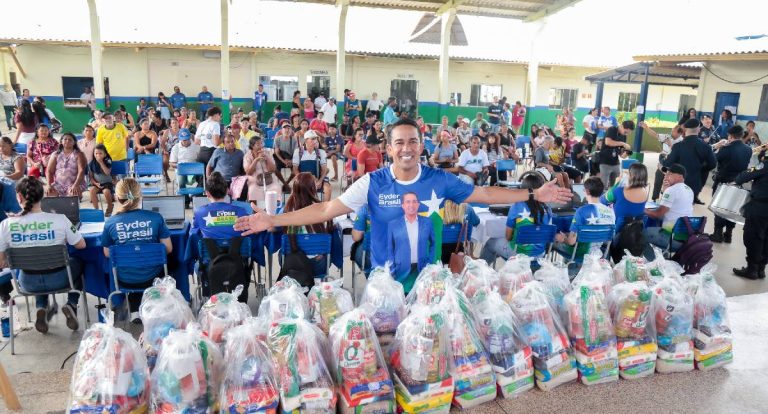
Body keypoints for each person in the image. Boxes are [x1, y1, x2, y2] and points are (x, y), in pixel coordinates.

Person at [234, 118, 570, 285]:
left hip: (428, 284)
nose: (406, 148)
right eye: (399, 142)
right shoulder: (373, 182)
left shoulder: (440, 179)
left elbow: (484, 193)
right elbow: (324, 209)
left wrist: (531, 194)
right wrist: (273, 220)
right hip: (387, 287)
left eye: (413, 141)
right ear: (389, 148)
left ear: (422, 144)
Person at [0, 177, 85, 332]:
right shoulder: (60, 220)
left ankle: (41, 307)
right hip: (59, 279)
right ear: (42, 196)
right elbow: (81, 245)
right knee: (79, 262)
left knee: (34, 266)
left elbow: (1, 263)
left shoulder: (6, 225)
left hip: (27, 283)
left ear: (19, 197)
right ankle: (71, 304)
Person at [102, 178, 172, 322]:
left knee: (128, 265)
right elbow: (168, 249)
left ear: (117, 197)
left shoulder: (110, 223)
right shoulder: (156, 218)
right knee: (171, 262)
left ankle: (133, 309)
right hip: (153, 278)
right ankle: (160, 306)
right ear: (140, 196)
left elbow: (108, 253)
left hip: (124, 280)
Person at [190, 171, 250, 300]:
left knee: (196, 262)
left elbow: (194, 235)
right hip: (238, 263)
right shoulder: (241, 211)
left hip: (210, 263)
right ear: (228, 190)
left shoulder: (200, 212)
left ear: (207, 193)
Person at [480, 172, 554, 264]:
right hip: (540, 255)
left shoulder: (516, 206)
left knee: (491, 242)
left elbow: (508, 237)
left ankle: (480, 270)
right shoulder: (548, 208)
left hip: (518, 255)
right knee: (501, 245)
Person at [282, 172, 335, 277]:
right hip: (317, 264)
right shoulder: (322, 208)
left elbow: (281, 231)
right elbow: (328, 233)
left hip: (293, 264)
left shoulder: (287, 209)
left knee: (283, 250)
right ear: (312, 189)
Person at [709, 125, 752, 244]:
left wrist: (717, 147)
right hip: (738, 183)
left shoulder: (726, 149)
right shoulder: (748, 149)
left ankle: (717, 234)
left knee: (719, 207)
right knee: (732, 209)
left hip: (723, 182)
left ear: (730, 136)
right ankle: (728, 234)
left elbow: (713, 160)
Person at [385, 192, 435, 292]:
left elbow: (433, 244)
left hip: (421, 270)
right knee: (402, 302)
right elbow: (390, 249)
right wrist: (392, 269)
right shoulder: (393, 225)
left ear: (418, 204)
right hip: (400, 272)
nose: (411, 205)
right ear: (403, 205)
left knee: (420, 300)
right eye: (408, 202)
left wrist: (429, 262)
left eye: (414, 201)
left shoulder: (427, 222)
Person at [555, 177, 615, 259]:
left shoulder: (581, 211)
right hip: (600, 253)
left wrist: (563, 238)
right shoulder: (610, 211)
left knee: (553, 242)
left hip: (581, 253)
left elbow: (571, 242)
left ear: (587, 191)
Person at [732, 147, 768, 279]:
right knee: (766, 238)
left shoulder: (765, 164)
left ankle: (752, 269)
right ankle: (761, 269)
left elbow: (744, 176)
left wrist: (757, 157)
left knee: (753, 236)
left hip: (760, 207)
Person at [663, 118, 716, 204]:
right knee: (687, 207)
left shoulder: (678, 146)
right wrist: (701, 170)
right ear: (698, 129)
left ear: (685, 129)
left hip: (677, 182)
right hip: (695, 183)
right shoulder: (705, 146)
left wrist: (661, 158)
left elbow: (668, 163)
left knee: (675, 206)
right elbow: (713, 164)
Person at [643, 164, 693, 251]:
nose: (666, 176)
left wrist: (641, 208)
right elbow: (670, 208)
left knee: (639, 234)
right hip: (685, 236)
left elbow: (657, 214)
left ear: (679, 176)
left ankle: (652, 261)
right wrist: (665, 189)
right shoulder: (689, 189)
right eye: (666, 173)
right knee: (659, 221)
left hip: (671, 237)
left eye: (670, 174)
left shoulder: (672, 190)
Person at [640, 122, 683, 202]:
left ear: (679, 133)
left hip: (673, 165)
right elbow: (655, 135)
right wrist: (646, 127)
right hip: (663, 162)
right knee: (658, 181)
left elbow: (680, 154)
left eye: (674, 131)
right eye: (672, 130)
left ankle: (665, 200)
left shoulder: (682, 141)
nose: (671, 132)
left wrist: (670, 145)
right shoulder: (667, 137)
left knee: (668, 184)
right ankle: (654, 199)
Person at [600, 163, 649, 232]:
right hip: (636, 233)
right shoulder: (645, 192)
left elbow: (602, 200)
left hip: (618, 233)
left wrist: (616, 184)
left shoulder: (619, 191)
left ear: (631, 176)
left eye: (628, 173)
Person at [292, 130, 331, 201]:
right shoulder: (298, 152)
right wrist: (302, 180)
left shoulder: (321, 152)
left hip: (318, 178)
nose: (315, 141)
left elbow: (324, 169)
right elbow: (295, 169)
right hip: (303, 179)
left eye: (316, 138)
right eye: (312, 139)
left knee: (327, 188)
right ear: (306, 140)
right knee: (295, 188)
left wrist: (320, 181)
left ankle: (325, 209)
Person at [45, 133, 87, 197]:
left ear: (74, 142)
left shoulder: (79, 154)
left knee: (73, 196)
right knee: (49, 194)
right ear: (61, 141)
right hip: (58, 184)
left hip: (74, 183)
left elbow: (81, 171)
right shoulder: (55, 154)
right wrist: (49, 185)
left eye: (70, 140)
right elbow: (49, 171)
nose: (67, 141)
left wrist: (75, 185)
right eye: (65, 139)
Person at [244, 136, 280, 206]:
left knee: (276, 187)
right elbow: (248, 172)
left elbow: (272, 169)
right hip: (254, 178)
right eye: (258, 144)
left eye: (261, 143)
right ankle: (254, 210)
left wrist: (267, 158)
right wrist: (256, 159)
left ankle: (272, 209)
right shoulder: (247, 156)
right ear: (252, 146)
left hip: (268, 177)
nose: (261, 146)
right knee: (252, 190)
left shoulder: (267, 152)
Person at [169, 128, 200, 208]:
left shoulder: (196, 146)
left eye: (186, 139)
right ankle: (186, 201)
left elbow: (200, 160)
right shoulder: (176, 148)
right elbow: (172, 163)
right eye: (183, 140)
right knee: (181, 181)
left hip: (194, 171)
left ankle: (195, 196)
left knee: (204, 179)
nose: (185, 141)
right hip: (182, 171)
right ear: (180, 139)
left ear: (190, 138)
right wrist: (180, 166)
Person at [599, 120, 635, 188]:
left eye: (628, 133)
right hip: (605, 162)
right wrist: (623, 143)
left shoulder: (623, 136)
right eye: (625, 132)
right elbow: (608, 142)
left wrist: (627, 152)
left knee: (616, 186)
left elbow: (622, 155)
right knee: (603, 186)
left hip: (616, 163)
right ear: (621, 126)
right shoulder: (612, 129)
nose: (626, 134)